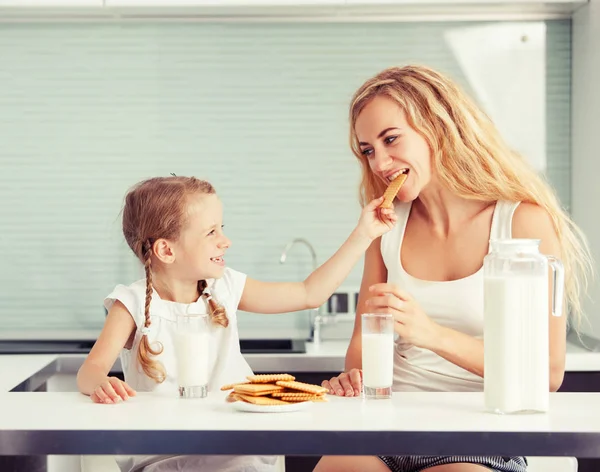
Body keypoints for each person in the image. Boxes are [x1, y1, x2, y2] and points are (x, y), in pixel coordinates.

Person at [314, 65, 594, 472]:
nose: (379, 163)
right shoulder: (387, 227)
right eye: (368, 150)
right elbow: (362, 340)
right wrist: (353, 375)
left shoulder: (522, 224)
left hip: (481, 433)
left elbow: (546, 373)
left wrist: (432, 334)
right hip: (388, 426)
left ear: (437, 129)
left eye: (391, 139)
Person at [76, 175, 396, 472]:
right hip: (165, 455)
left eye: (221, 228)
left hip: (238, 447)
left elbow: (309, 293)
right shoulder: (130, 304)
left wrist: (364, 234)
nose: (225, 241)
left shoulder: (225, 287)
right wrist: (101, 383)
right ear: (166, 250)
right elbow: (90, 371)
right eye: (211, 232)